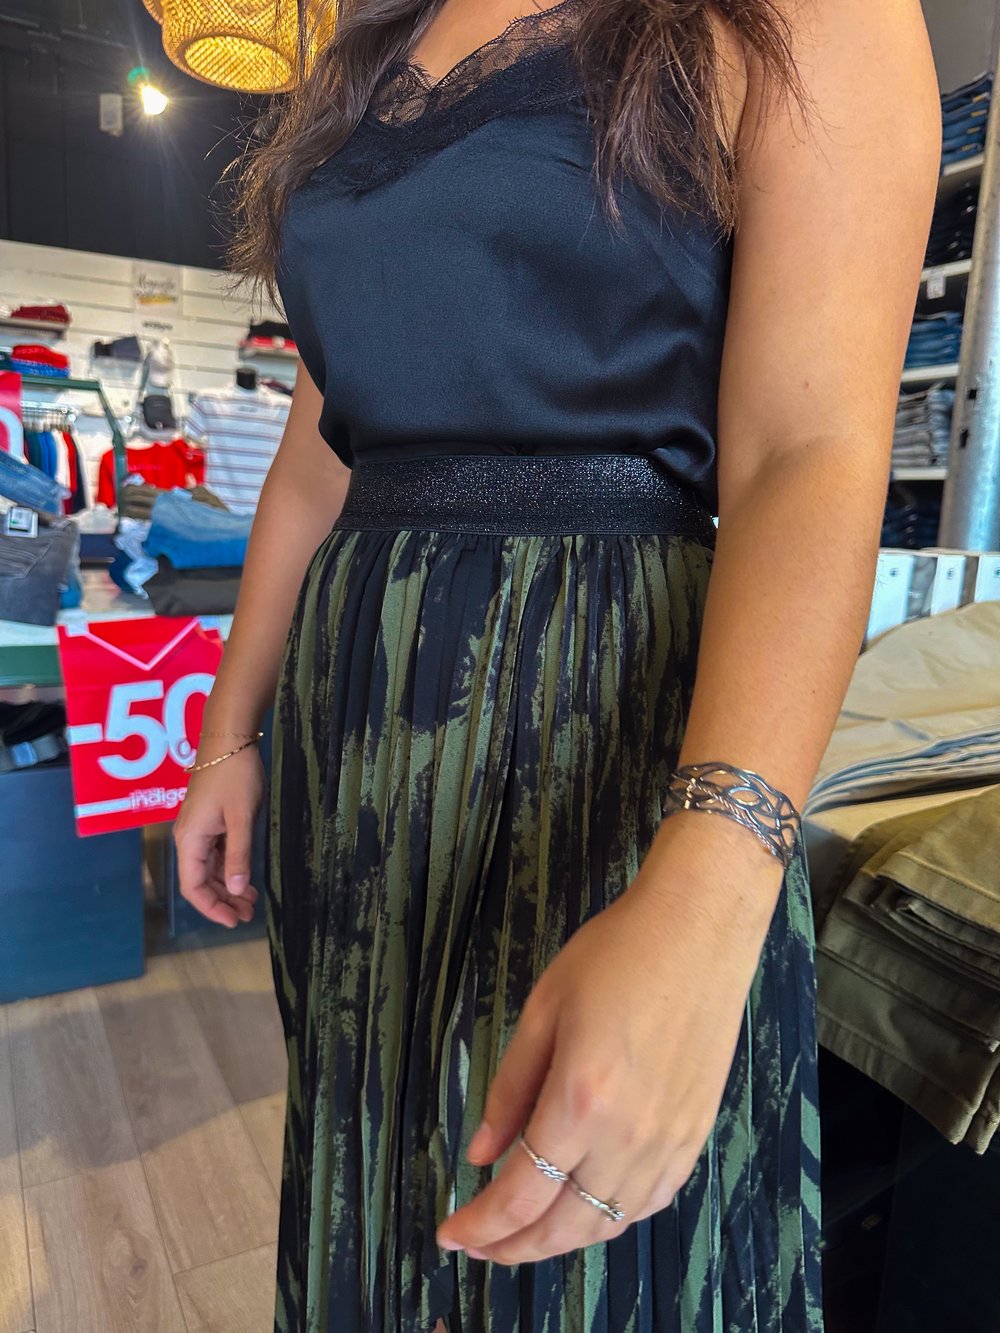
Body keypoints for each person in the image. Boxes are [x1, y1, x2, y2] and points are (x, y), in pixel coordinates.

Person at [173, 0, 941, 1327]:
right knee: (374, 1171)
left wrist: (715, 886)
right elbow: (320, 451)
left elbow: (804, 456)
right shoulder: (371, 42)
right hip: (353, 723)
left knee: (584, 1241)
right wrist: (229, 731)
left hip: (597, 706)